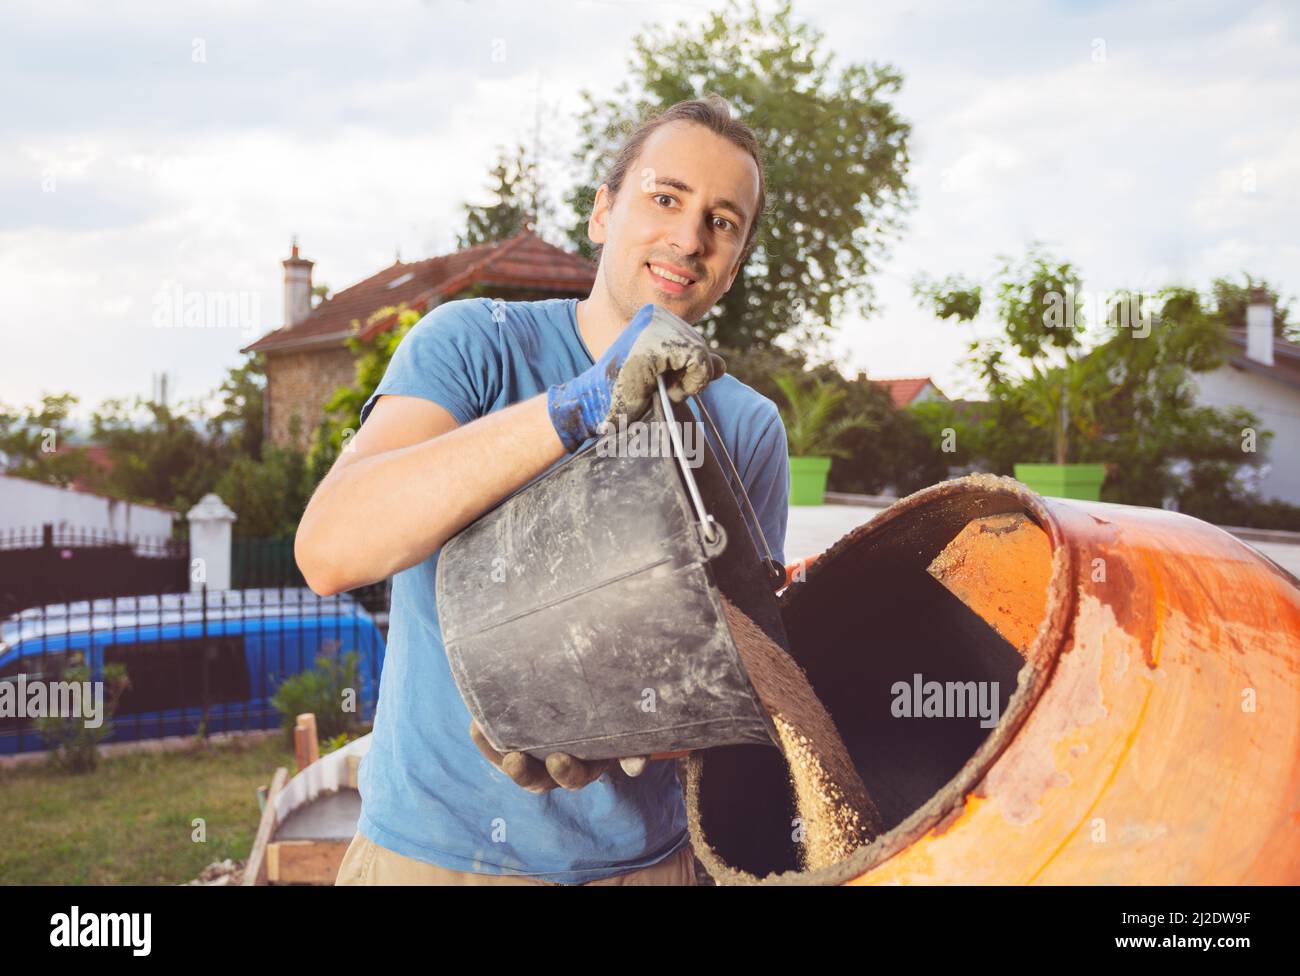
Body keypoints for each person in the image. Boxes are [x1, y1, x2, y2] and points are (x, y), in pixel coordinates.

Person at [297, 93, 789, 885]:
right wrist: (576, 406)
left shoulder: (745, 427)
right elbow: (331, 549)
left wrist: (611, 727)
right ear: (602, 212)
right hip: (430, 860)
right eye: (665, 198)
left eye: (722, 222)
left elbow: (738, 680)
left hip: (644, 868)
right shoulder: (472, 345)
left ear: (734, 263)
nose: (688, 238)